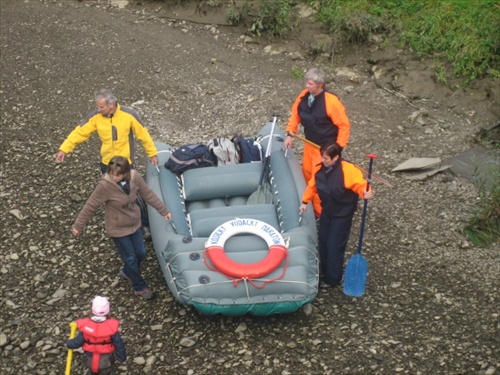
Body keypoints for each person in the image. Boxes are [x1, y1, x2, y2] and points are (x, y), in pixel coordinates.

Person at [55, 89, 158, 240]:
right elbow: (79, 132)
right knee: (112, 196)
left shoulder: (129, 115)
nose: (98, 110)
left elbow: (143, 135)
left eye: (101, 107)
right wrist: (64, 149)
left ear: (111, 105)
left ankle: (144, 225)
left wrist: (152, 153)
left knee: (133, 195)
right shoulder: (95, 117)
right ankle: (119, 226)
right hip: (107, 165)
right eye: (97, 107)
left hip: (125, 165)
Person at [72, 156, 172, 299]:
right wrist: (78, 225)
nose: (114, 177)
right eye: (111, 174)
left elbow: (148, 194)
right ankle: (139, 286)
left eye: (118, 175)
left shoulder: (134, 177)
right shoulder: (104, 185)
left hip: (134, 223)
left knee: (141, 253)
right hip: (117, 228)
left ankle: (127, 272)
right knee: (130, 258)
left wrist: (164, 211)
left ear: (126, 172)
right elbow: (90, 206)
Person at [299, 143, 373, 288]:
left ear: (335, 158)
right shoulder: (320, 169)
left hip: (342, 214)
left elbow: (360, 184)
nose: (323, 160)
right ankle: (325, 271)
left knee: (334, 245)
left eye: (326, 158)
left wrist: (366, 191)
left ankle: (333, 279)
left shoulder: (348, 170)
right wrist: (304, 201)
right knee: (323, 242)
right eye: (322, 157)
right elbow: (313, 186)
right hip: (327, 210)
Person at [285, 68, 351, 217]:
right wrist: (290, 133)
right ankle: (310, 208)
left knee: (319, 180)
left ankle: (321, 213)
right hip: (310, 144)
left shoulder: (331, 101)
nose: (307, 86)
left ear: (320, 85)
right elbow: (295, 115)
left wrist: (338, 148)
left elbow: (344, 125)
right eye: (307, 82)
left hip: (325, 149)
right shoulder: (303, 96)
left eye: (310, 83)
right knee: (307, 174)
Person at [67, 296, 126, 375]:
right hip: (105, 361)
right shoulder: (111, 329)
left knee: (92, 372)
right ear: (108, 312)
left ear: (92, 311)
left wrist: (69, 343)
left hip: (89, 360)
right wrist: (121, 357)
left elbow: (77, 342)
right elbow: (119, 344)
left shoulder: (85, 328)